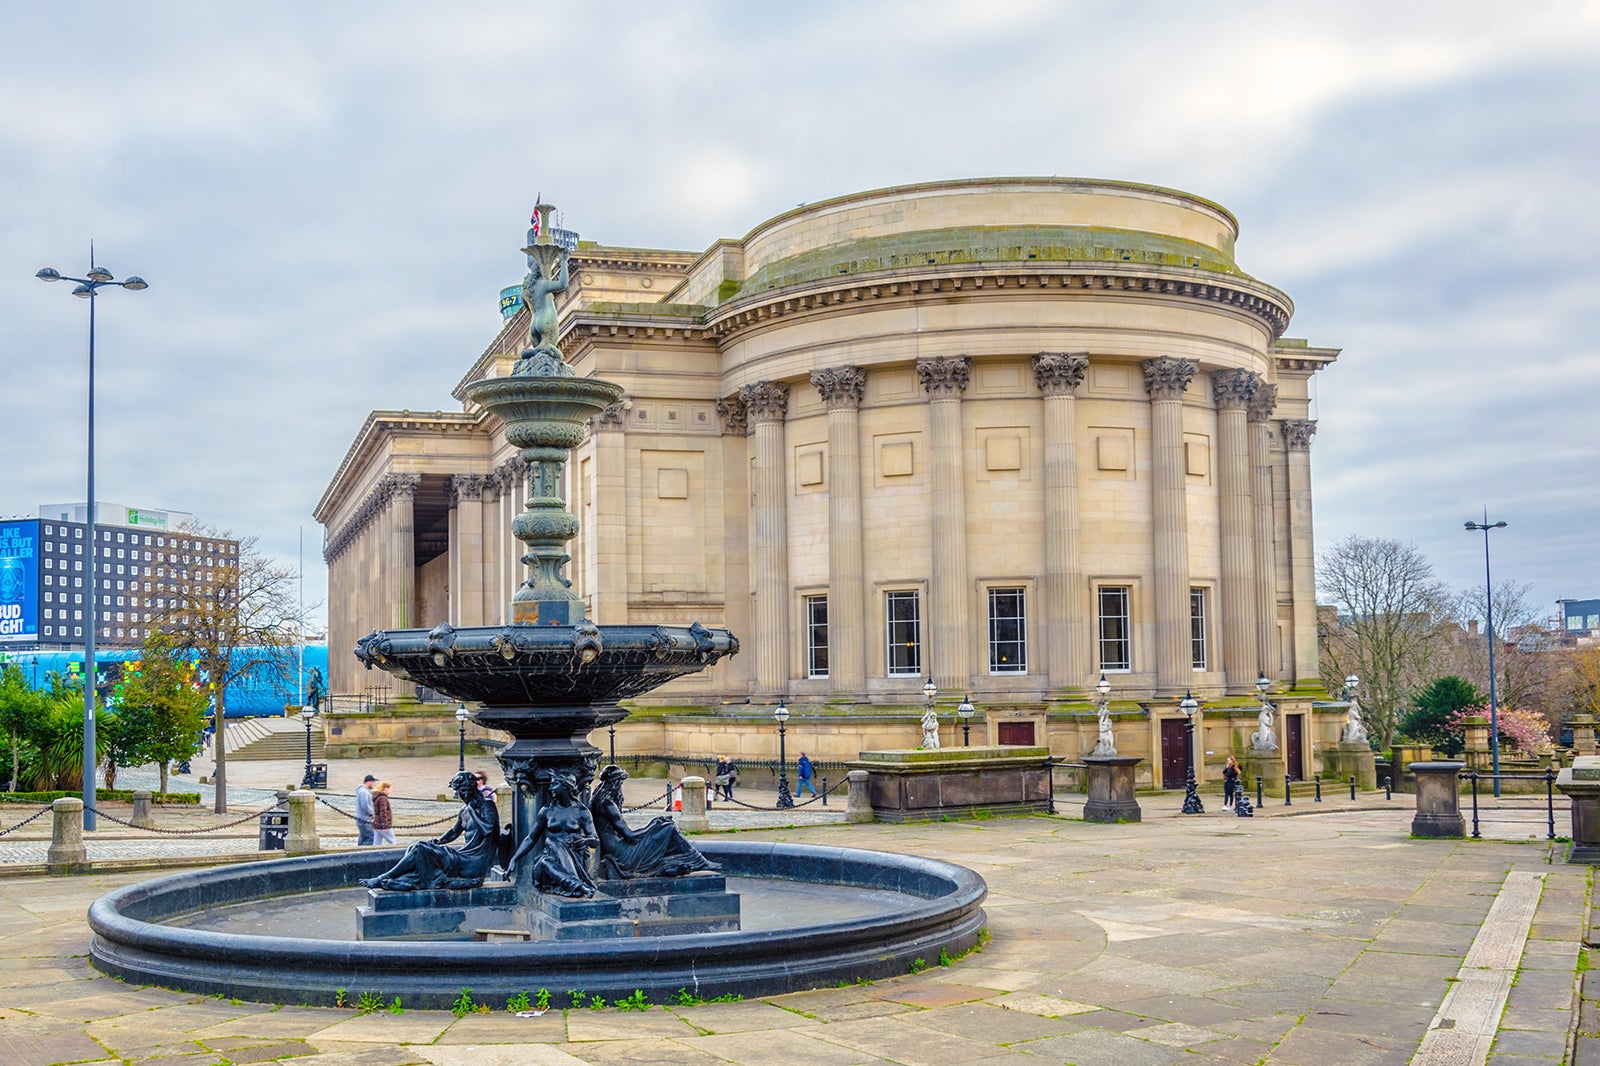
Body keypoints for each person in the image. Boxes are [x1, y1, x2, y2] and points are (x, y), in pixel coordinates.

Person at [359, 771, 500, 891]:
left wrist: (472, 810)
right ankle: (405, 881)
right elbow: (454, 832)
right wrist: (438, 841)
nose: (461, 796)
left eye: (462, 792)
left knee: (421, 849)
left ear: (471, 789)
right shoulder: (464, 811)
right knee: (416, 847)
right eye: (458, 793)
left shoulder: (486, 805)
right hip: (463, 855)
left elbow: (488, 829)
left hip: (473, 862)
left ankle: (384, 879)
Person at [590, 764, 718, 880]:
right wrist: (654, 825)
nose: (621, 786)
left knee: (664, 827)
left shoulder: (600, 800)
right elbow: (630, 835)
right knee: (668, 828)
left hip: (616, 847)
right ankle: (699, 861)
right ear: (614, 783)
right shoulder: (607, 804)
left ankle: (674, 866)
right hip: (621, 853)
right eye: (620, 782)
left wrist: (655, 825)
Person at [508, 771, 597, 898]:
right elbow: (531, 838)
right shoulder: (546, 811)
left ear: (566, 786)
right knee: (545, 860)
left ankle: (576, 885)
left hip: (573, 862)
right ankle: (580, 887)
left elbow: (595, 841)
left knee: (548, 857)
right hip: (549, 863)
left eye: (554, 784)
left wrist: (585, 841)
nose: (550, 788)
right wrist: (514, 859)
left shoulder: (582, 812)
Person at [354, 774, 377, 846]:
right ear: (369, 782)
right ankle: (364, 853)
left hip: (361, 818)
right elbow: (365, 805)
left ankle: (358, 852)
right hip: (365, 819)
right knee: (370, 837)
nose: (374, 784)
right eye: (373, 782)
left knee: (363, 837)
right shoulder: (364, 792)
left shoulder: (361, 791)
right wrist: (372, 813)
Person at [372, 781, 396, 845]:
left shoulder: (376, 797)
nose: (390, 791)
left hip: (377, 823)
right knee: (392, 841)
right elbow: (383, 812)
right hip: (382, 824)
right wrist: (385, 825)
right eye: (390, 789)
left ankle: (375, 854)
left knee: (377, 843)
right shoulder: (383, 798)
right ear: (386, 789)